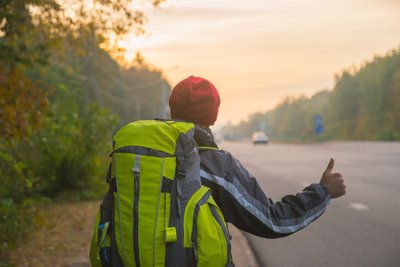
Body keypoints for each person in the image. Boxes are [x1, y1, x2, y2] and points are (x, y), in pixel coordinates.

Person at [168, 75, 346, 238]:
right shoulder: (217, 168)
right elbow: (273, 221)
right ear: (213, 117)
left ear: (171, 111)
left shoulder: (141, 156)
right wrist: (323, 191)